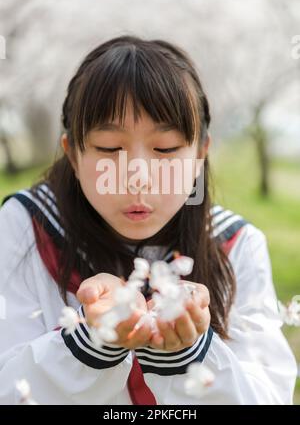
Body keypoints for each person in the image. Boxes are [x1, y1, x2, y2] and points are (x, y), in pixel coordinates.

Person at [0, 35, 297, 405]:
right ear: (72, 155)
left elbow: (268, 396)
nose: (137, 175)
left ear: (200, 153)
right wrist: (88, 343)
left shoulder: (235, 244)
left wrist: (188, 356)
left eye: (166, 149)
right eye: (109, 149)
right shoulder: (26, 227)